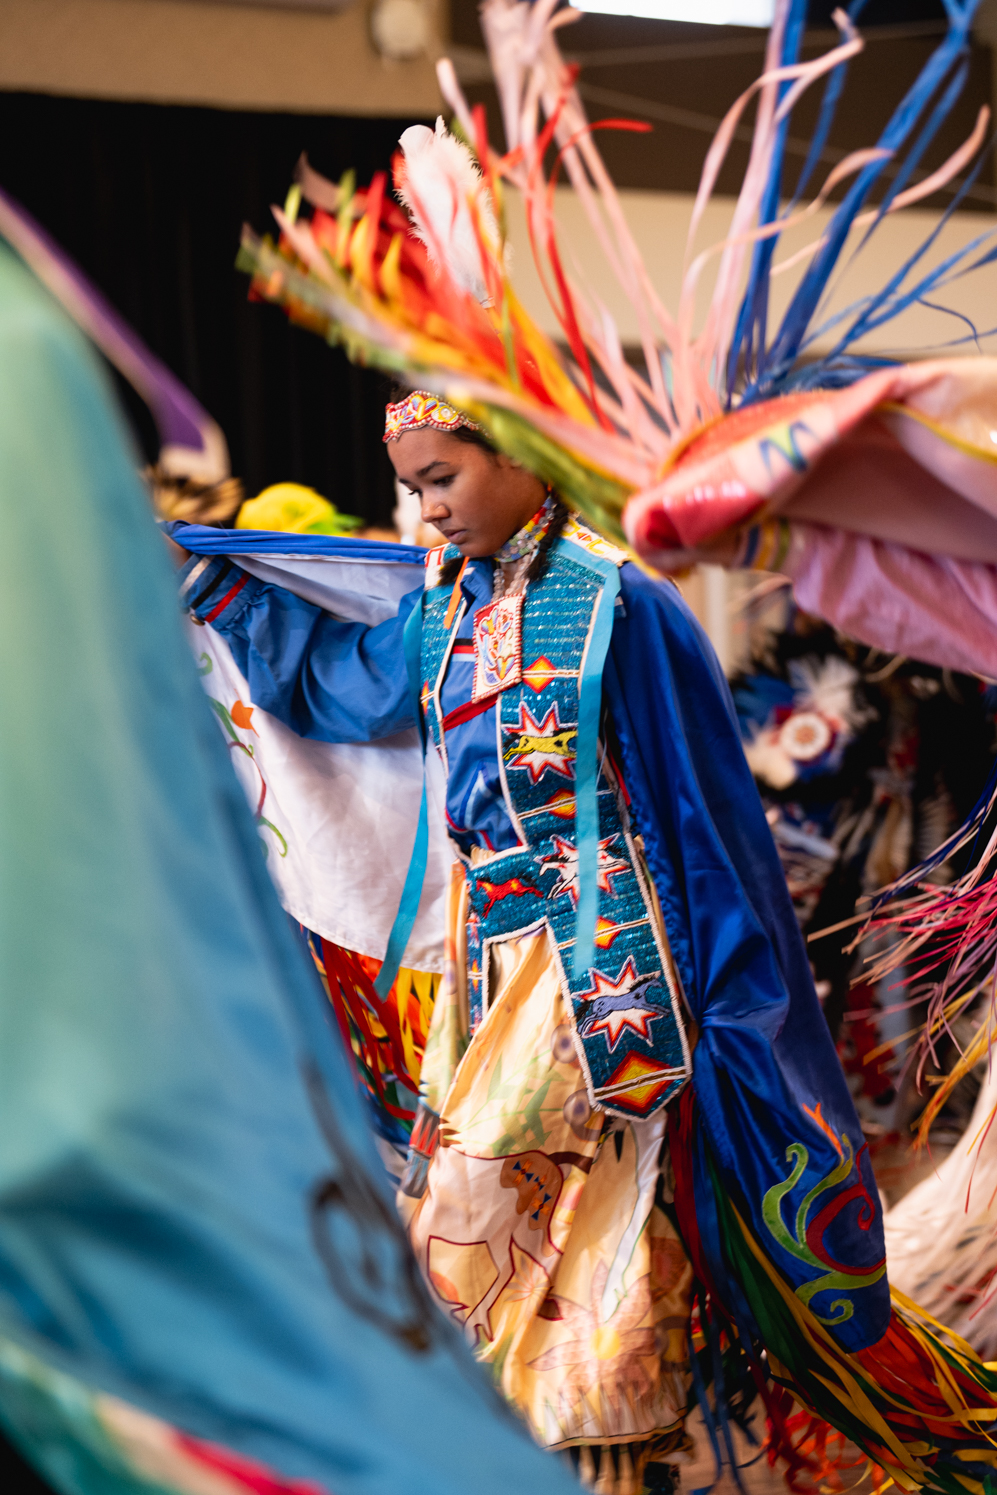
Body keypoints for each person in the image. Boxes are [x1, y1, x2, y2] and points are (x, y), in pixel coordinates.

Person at [174, 387, 980, 1494]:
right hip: (487, 975)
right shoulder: (446, 609)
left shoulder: (620, 606)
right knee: (586, 1262)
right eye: (415, 494)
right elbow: (341, 687)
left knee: (481, 1236)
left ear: (516, 452)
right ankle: (605, 1470)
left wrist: (738, 1005)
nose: (430, 515)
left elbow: (706, 814)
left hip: (598, 980)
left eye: (444, 480)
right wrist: (216, 587)